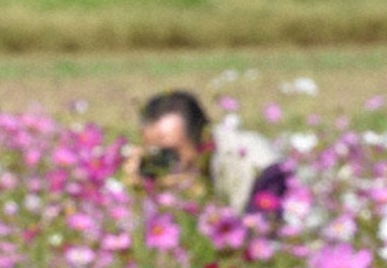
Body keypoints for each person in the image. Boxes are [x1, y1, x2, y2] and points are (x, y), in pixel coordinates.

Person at [124, 90, 290, 215]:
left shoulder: (251, 161)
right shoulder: (199, 165)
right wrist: (143, 191)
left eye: (169, 152)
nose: (166, 164)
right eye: (155, 154)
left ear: (202, 137)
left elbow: (254, 237)